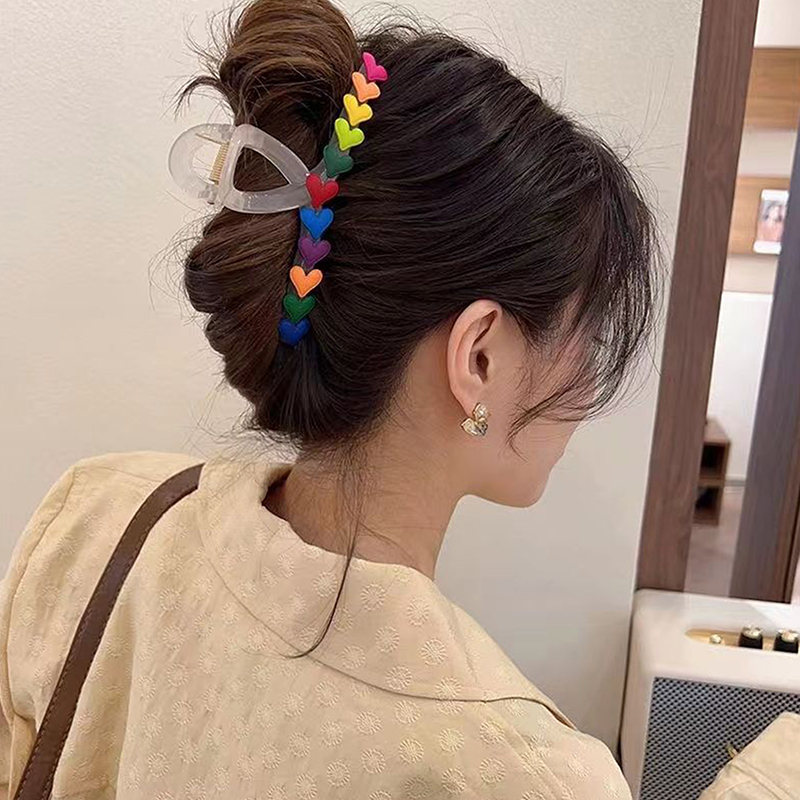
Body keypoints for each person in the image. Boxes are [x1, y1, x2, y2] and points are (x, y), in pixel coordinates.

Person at [0, 0, 658, 796]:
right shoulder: (525, 774)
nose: (588, 384)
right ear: (478, 357)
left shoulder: (100, 517)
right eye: (588, 335)